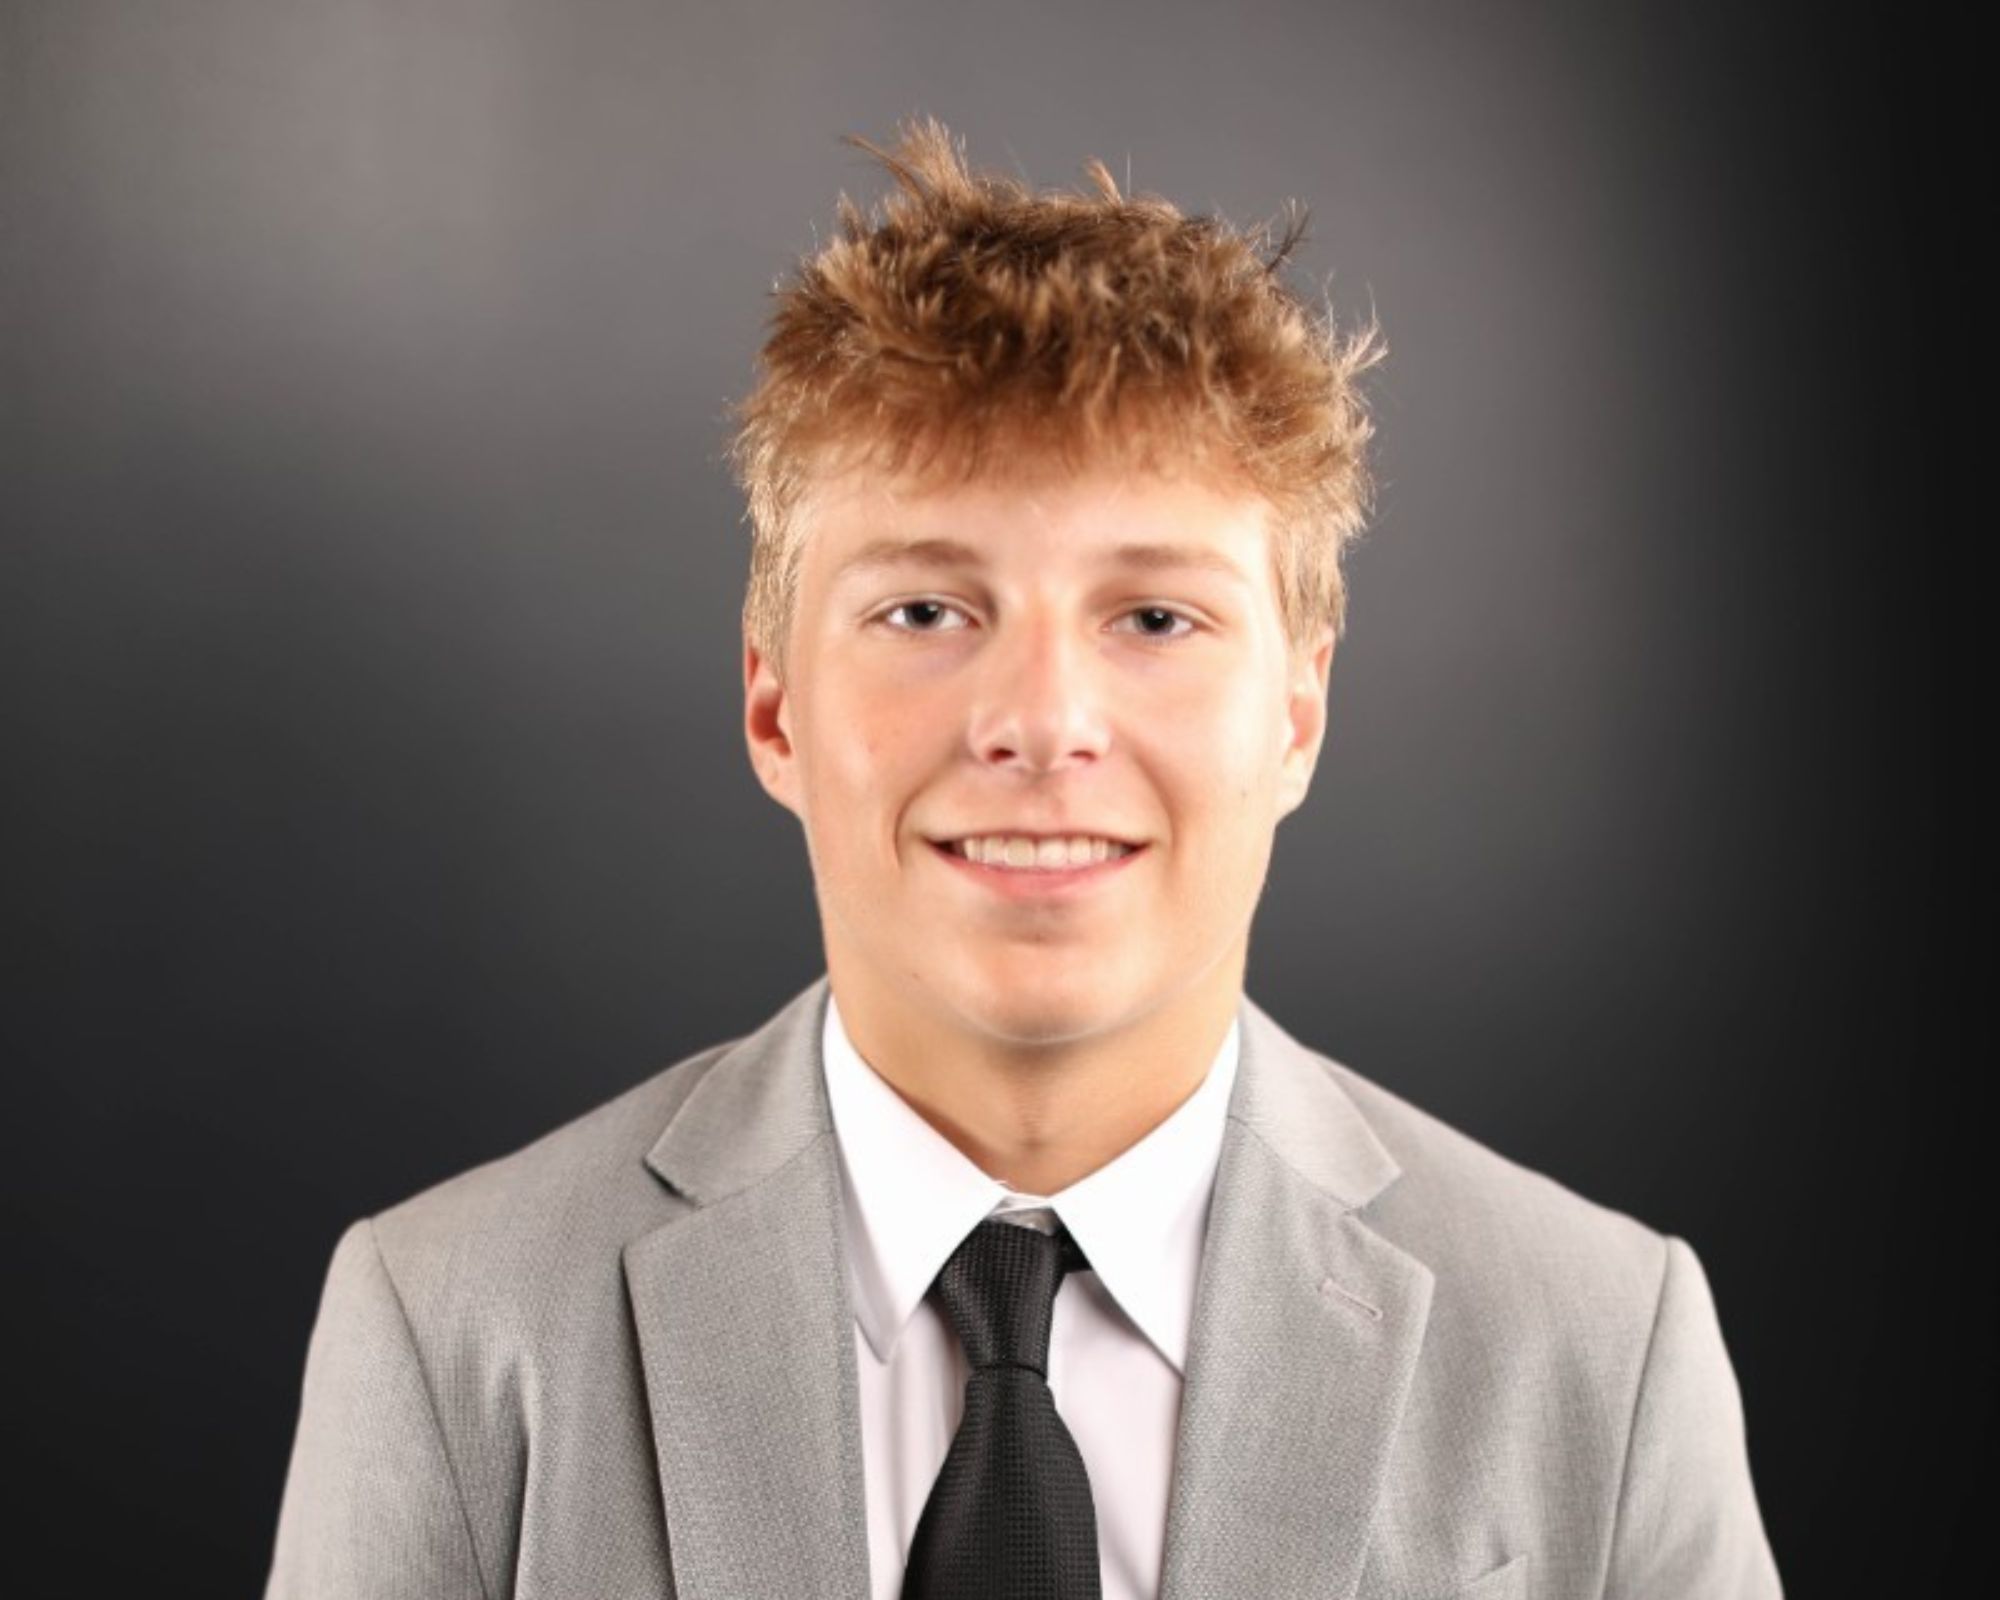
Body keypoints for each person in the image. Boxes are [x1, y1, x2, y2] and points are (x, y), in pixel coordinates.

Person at [264, 116, 1782, 1600]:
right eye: (927, 610)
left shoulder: (1602, 1349)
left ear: (1299, 714)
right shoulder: (453, 1330)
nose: (1043, 725)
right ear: (774, 706)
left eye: (1155, 618)